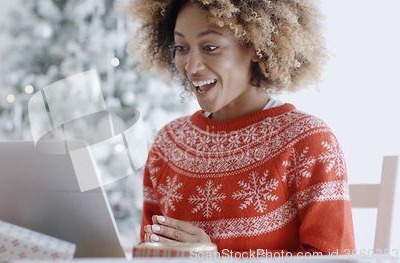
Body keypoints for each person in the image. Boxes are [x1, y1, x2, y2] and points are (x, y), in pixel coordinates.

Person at [124, 0, 355, 255]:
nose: (191, 66)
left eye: (210, 47)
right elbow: (150, 255)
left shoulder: (308, 141)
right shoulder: (169, 144)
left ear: (256, 46)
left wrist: (217, 259)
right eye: (181, 47)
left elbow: (335, 259)